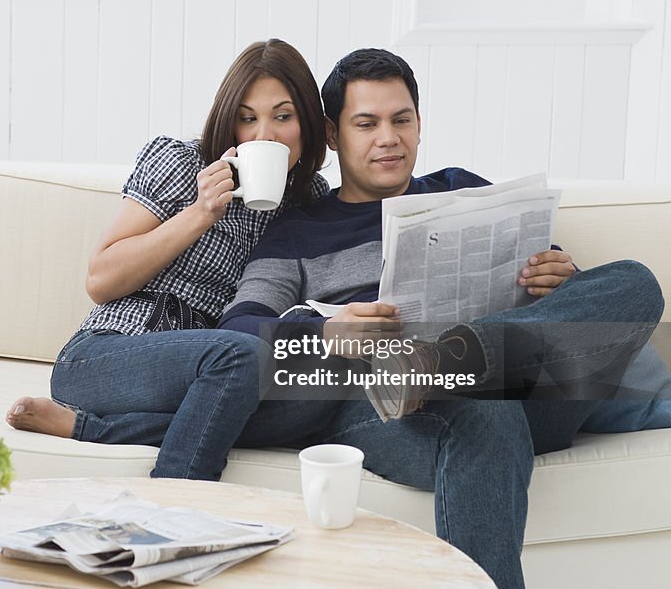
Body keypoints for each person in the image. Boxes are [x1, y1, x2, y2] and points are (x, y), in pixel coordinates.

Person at [219, 48, 664, 589]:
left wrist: (560, 274)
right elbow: (238, 334)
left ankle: (443, 359)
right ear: (333, 135)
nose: (388, 137)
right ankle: (443, 369)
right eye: (367, 124)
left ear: (420, 124)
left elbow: (577, 316)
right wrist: (326, 332)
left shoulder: (464, 188)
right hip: (391, 410)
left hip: (533, 387)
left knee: (634, 281)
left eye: (401, 120)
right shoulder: (297, 232)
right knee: (484, 410)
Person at [6, 38, 332, 481]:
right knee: (244, 357)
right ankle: (174, 508)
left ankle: (91, 429)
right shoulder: (180, 161)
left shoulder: (310, 202)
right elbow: (101, 280)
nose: (264, 136)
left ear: (308, 124)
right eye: (247, 118)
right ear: (228, 121)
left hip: (210, 378)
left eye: (283, 116)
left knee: (318, 400)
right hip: (108, 355)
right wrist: (199, 214)